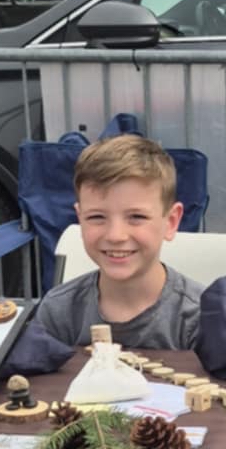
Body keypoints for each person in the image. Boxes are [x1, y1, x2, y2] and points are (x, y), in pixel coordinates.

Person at [33, 134, 202, 352]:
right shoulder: (58, 311)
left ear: (171, 222)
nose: (116, 235)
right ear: (80, 218)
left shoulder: (200, 316)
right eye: (96, 217)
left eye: (137, 217)